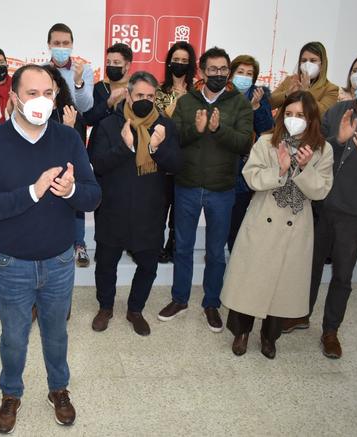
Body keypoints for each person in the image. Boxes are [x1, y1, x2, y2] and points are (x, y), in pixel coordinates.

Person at [0, 64, 101, 433]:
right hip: (12, 263)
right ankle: (10, 393)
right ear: (14, 97)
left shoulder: (68, 138)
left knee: (56, 333)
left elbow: (94, 195)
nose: (40, 101)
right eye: (31, 93)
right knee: (13, 336)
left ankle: (58, 389)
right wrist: (33, 191)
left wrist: (71, 191)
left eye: (48, 93)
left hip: (59, 260)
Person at [283, 58, 357, 359]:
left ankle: (331, 330)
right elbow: (315, 148)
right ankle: (300, 314)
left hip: (356, 211)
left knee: (342, 274)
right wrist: (340, 139)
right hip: (322, 202)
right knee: (309, 265)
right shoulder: (338, 111)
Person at [221, 91, 333, 359]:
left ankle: (269, 337)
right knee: (250, 281)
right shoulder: (266, 142)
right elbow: (251, 178)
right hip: (263, 220)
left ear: (312, 119)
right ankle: (241, 332)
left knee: (283, 286)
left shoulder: (322, 149)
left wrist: (304, 169)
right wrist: (280, 170)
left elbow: (321, 190)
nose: (294, 120)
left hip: (296, 227)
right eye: (290, 114)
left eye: (301, 115)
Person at [156, 47, 254, 332]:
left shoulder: (240, 105)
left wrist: (218, 128)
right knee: (183, 247)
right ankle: (180, 298)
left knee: (215, 251)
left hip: (222, 189)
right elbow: (173, 142)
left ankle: (211, 303)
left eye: (224, 69)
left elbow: (243, 144)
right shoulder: (187, 102)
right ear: (201, 71)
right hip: (186, 186)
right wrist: (196, 130)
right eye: (213, 69)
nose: (219, 74)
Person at [90, 71, 182, 336]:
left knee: (148, 266)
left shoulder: (165, 126)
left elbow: (177, 165)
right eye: (139, 95)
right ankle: (105, 307)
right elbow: (98, 164)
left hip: (149, 212)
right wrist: (125, 146)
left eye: (150, 96)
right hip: (112, 210)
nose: (145, 100)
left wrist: (156, 148)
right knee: (106, 264)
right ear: (128, 95)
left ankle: (135, 310)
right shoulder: (108, 126)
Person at [226, 55, 275, 251]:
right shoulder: (222, 94)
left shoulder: (259, 97)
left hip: (244, 167)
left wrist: (255, 108)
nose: (244, 77)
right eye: (240, 72)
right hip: (221, 165)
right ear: (231, 74)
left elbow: (266, 129)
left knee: (238, 214)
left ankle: (234, 252)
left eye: (249, 74)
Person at [155, 41, 197, 264]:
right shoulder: (160, 92)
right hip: (162, 159)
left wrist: (186, 98)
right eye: (175, 60)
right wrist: (178, 101)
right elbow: (160, 121)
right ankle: (155, 246)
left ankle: (172, 246)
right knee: (160, 207)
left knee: (180, 210)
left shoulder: (196, 93)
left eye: (184, 61)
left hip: (187, 159)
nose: (179, 64)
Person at [43, 65, 89, 268]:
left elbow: (78, 148)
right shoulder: (32, 113)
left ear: (59, 87)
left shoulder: (71, 111)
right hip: (42, 173)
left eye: (51, 84)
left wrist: (69, 129)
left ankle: (79, 245)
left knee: (76, 204)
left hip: (69, 171)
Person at [271, 42, 338, 115]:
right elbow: (268, 103)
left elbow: (324, 114)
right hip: (280, 125)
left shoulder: (331, 89)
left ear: (322, 64)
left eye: (313, 60)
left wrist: (306, 93)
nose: (307, 64)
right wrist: (287, 94)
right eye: (304, 60)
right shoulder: (290, 80)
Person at [83, 43, 133, 138]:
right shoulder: (100, 87)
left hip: (128, 144)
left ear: (127, 65)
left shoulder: (136, 87)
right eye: (108, 62)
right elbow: (88, 119)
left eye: (116, 62)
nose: (111, 66)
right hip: (100, 144)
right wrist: (108, 103)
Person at [46, 23, 94, 113]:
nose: (61, 47)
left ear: (72, 45)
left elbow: (86, 107)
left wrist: (78, 83)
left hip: (75, 123)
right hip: (46, 123)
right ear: (49, 45)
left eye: (66, 43)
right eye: (56, 43)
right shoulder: (40, 71)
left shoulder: (84, 70)